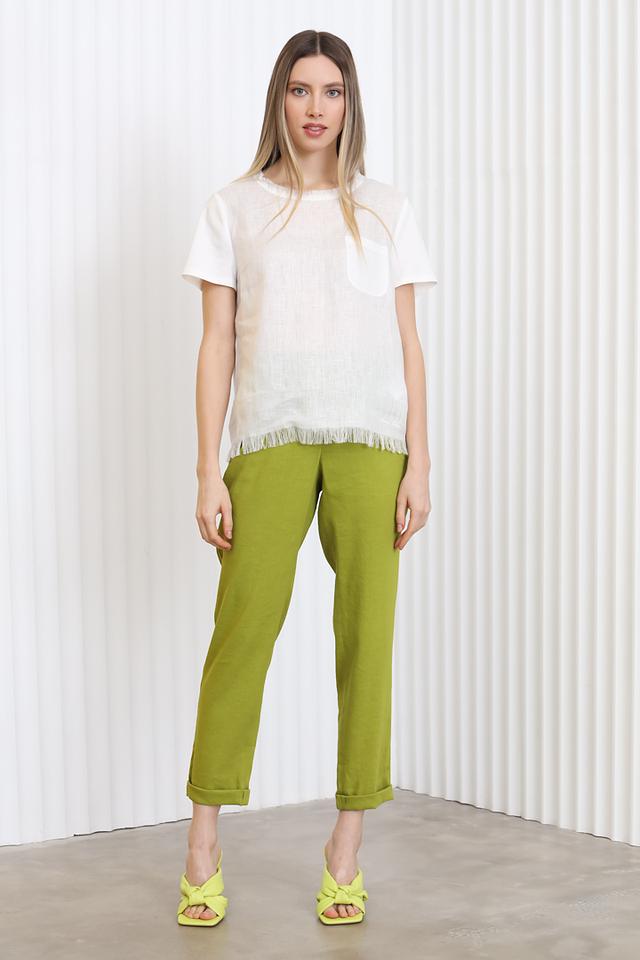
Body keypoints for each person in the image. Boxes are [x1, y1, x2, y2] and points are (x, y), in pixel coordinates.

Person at [176, 28, 437, 927]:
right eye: (300, 90)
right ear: (278, 100)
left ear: (350, 101)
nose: (316, 107)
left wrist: (421, 461)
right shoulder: (235, 208)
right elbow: (216, 343)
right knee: (243, 630)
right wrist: (207, 470)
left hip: (371, 441)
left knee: (368, 635)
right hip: (269, 437)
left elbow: (408, 345)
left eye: (331, 90)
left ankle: (346, 847)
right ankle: (202, 842)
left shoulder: (386, 210)